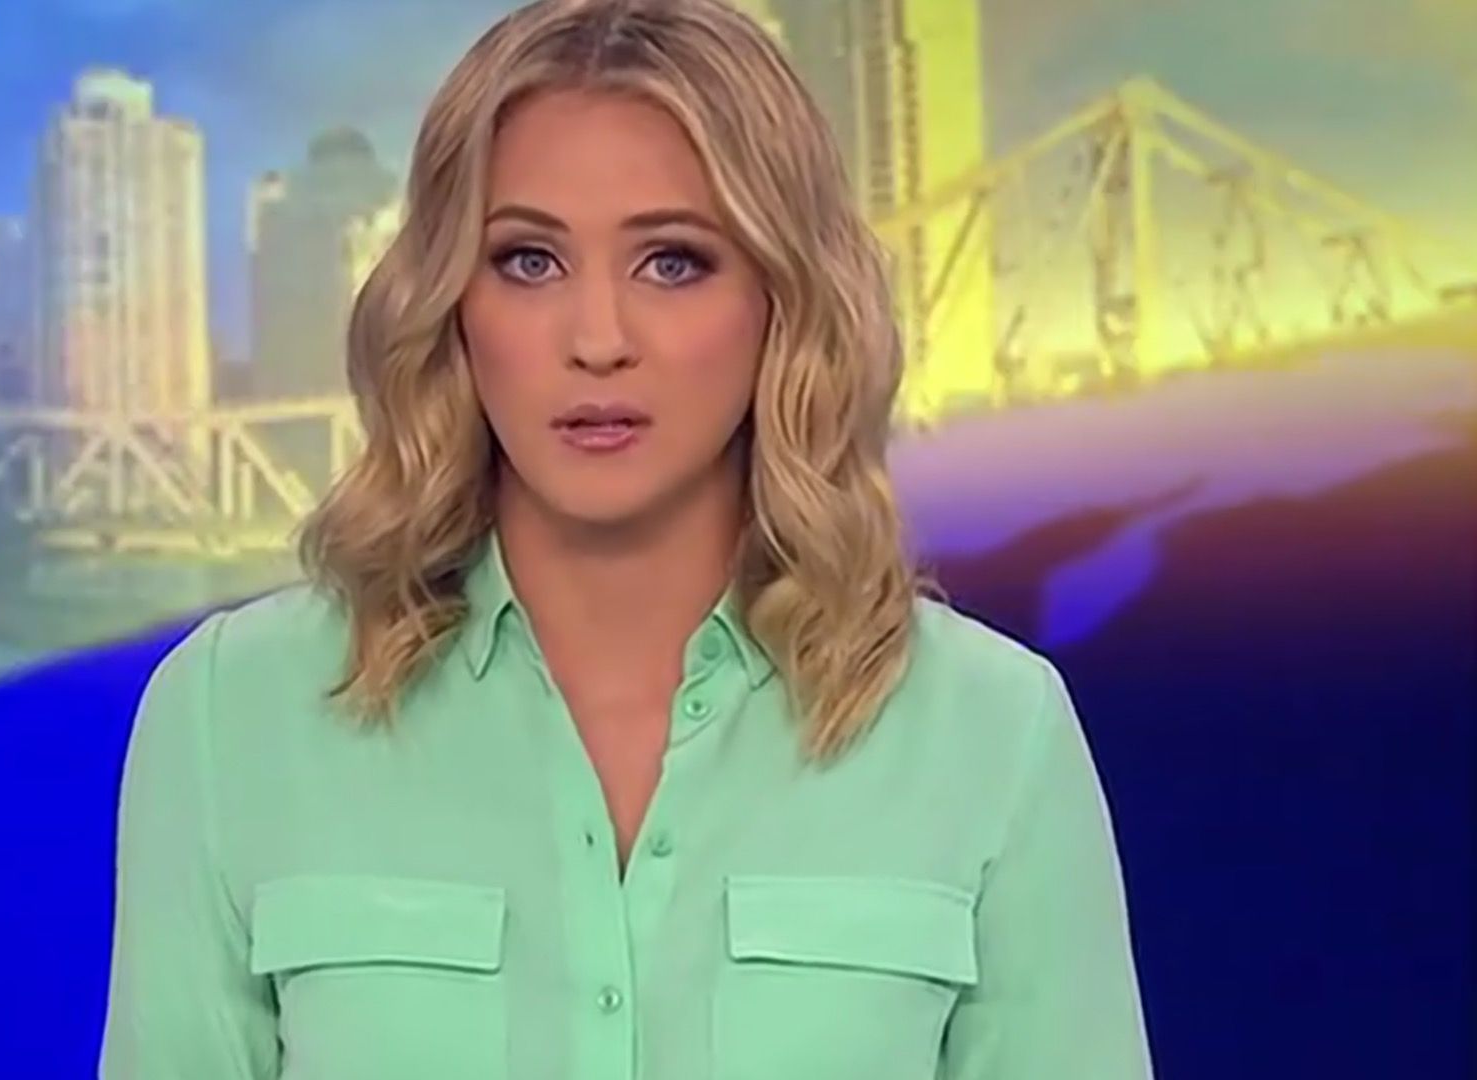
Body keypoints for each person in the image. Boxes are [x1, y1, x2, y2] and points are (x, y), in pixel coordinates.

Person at [99, 0, 1153, 1076]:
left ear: (783, 301)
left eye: (673, 263)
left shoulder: (991, 734)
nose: (597, 340)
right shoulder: (232, 717)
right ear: (450, 302)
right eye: (528, 261)